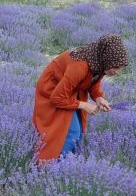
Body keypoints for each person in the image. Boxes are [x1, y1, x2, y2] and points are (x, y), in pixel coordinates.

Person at [32, 33, 129, 162]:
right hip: (53, 90)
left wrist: (99, 97)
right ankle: (55, 166)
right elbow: (57, 98)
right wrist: (84, 105)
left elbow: (93, 80)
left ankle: (68, 164)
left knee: (76, 133)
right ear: (107, 60)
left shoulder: (97, 62)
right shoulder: (79, 66)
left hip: (70, 91)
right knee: (71, 132)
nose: (117, 72)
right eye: (116, 68)